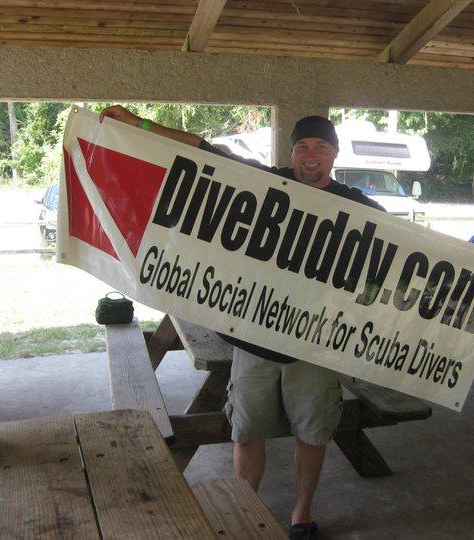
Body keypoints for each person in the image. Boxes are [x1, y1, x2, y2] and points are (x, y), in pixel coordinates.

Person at [100, 106, 384, 540]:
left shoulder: (357, 204)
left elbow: (419, 256)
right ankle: (243, 511)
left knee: (313, 432)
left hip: (314, 343)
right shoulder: (265, 183)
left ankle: (301, 516)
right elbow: (201, 148)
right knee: (246, 430)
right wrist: (137, 125)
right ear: (292, 152)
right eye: (303, 146)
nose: (311, 155)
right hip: (254, 339)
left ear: (335, 154)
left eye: (321, 147)